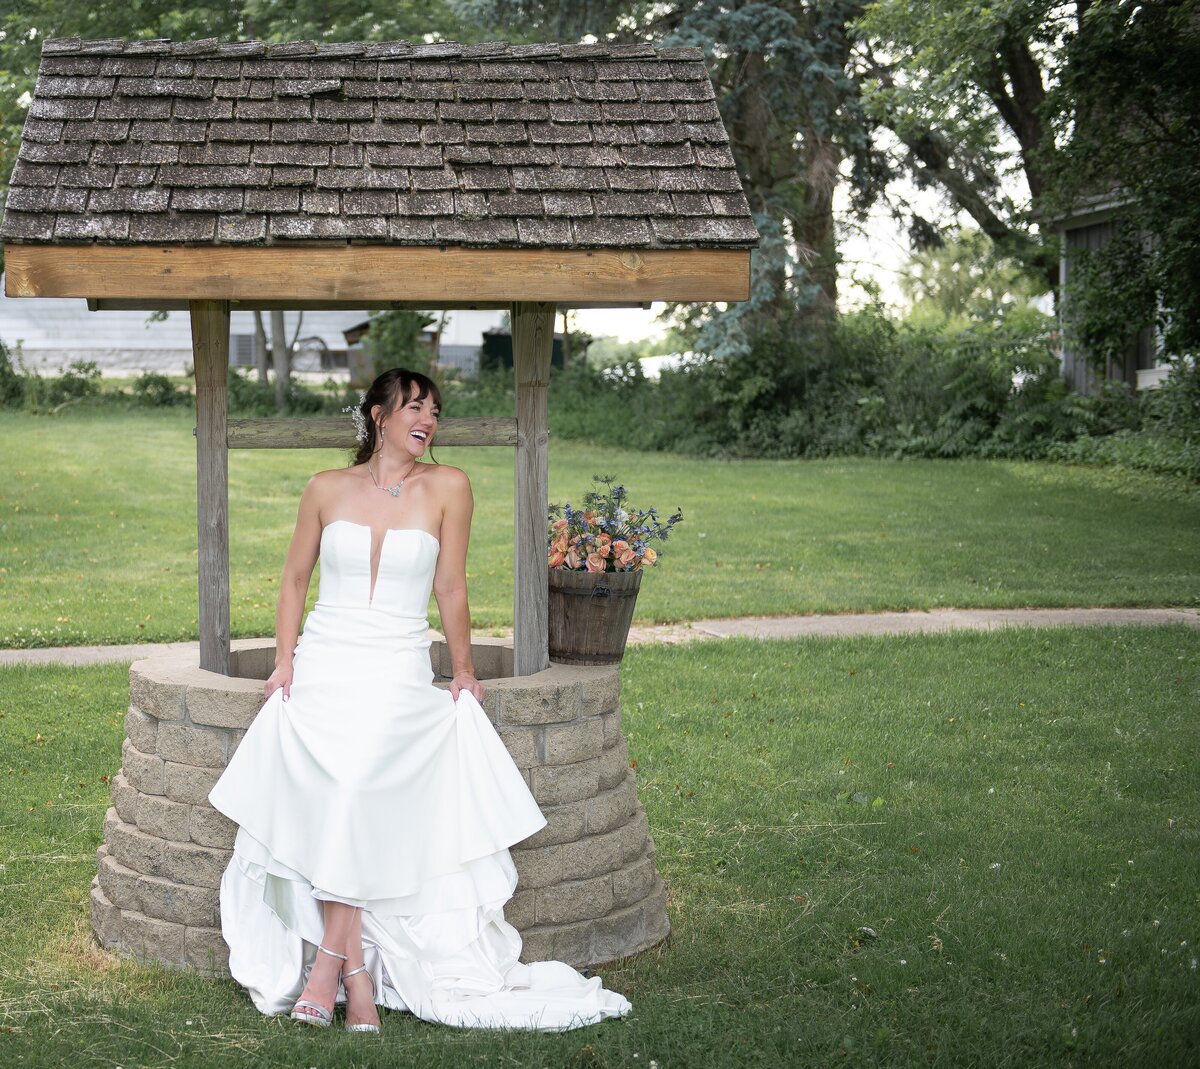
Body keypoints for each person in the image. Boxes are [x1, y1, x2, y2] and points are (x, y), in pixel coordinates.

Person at [208, 367, 632, 1033]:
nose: (427, 418)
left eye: (433, 409)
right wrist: (286, 659)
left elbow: (452, 587)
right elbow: (294, 579)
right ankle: (352, 974)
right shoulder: (325, 488)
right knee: (345, 792)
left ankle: (330, 969)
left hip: (399, 664)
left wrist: (462, 671)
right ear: (377, 414)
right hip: (327, 659)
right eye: (413, 405)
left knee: (356, 789)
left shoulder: (450, 487)